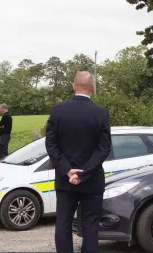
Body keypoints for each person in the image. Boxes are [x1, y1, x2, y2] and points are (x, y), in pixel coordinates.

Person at [45, 71, 111, 253]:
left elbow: (51, 144)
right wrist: (86, 172)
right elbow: (104, 148)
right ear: (93, 88)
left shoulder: (58, 111)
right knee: (91, 225)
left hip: (65, 181)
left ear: (73, 86)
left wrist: (68, 171)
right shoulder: (101, 113)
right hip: (92, 180)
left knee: (63, 223)